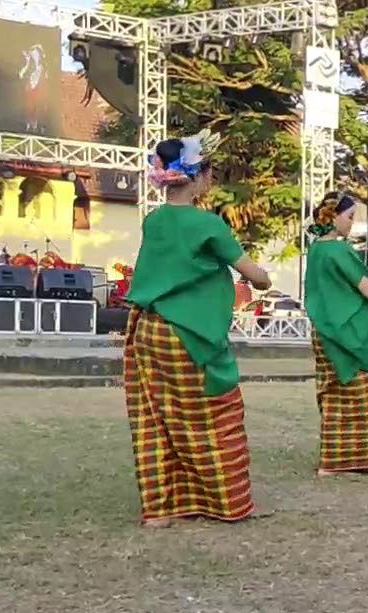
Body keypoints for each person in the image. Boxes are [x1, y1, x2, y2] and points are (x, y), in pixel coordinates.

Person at [123, 131, 272, 527]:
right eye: (210, 173)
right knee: (215, 417)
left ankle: (159, 510)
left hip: (149, 331)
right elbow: (252, 274)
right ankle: (226, 503)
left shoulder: (153, 221)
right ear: (199, 177)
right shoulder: (208, 225)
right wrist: (265, 280)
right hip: (191, 334)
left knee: (156, 419)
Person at [303, 192, 368, 476]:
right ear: (334, 217)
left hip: (323, 332)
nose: (352, 223)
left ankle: (335, 460)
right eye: (349, 217)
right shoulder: (339, 251)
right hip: (349, 333)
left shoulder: (315, 250)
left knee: (334, 396)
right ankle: (354, 457)